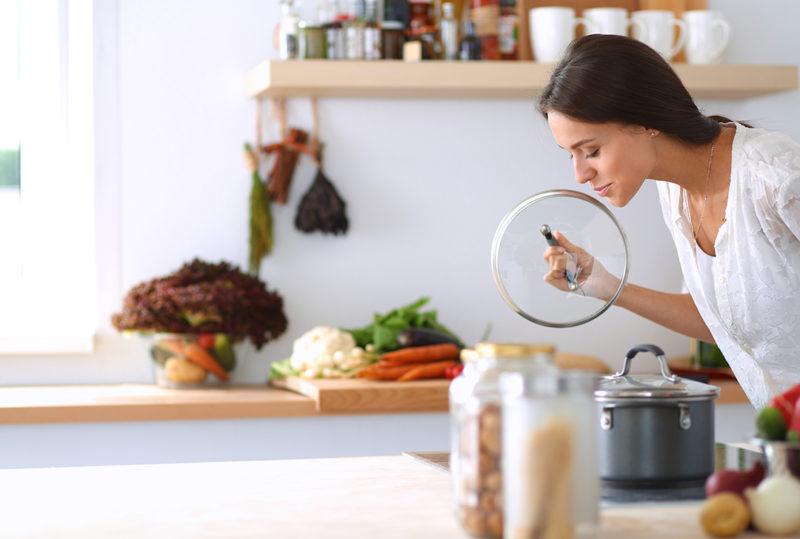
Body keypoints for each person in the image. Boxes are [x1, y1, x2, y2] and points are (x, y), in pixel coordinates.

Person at [537, 34, 800, 410]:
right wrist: (607, 286)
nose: (580, 174)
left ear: (646, 122)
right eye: (571, 156)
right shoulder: (674, 193)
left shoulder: (775, 175)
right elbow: (728, 322)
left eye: (591, 151)